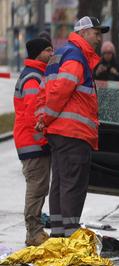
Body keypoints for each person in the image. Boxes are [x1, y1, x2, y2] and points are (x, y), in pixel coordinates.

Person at [36, 16, 108, 238]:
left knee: (60, 182)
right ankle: (70, 235)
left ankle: (59, 234)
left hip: (59, 132)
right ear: (84, 32)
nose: (99, 38)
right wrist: (46, 118)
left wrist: (43, 119)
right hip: (73, 132)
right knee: (73, 185)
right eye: (96, 33)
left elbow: (44, 90)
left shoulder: (60, 54)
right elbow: (61, 91)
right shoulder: (76, 56)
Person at [13, 38, 54, 246]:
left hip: (33, 142)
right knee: (37, 189)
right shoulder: (32, 78)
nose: (51, 53)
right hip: (32, 143)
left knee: (39, 188)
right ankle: (33, 233)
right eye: (48, 50)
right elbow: (33, 115)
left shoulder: (38, 75)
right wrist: (42, 141)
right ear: (38, 53)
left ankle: (35, 231)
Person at [93, 41, 119, 123]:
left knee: (118, 120)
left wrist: (116, 73)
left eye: (109, 53)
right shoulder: (98, 65)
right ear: (102, 54)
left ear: (113, 54)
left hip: (116, 99)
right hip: (102, 99)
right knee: (102, 121)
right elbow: (91, 80)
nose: (107, 55)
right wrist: (97, 73)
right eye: (105, 53)